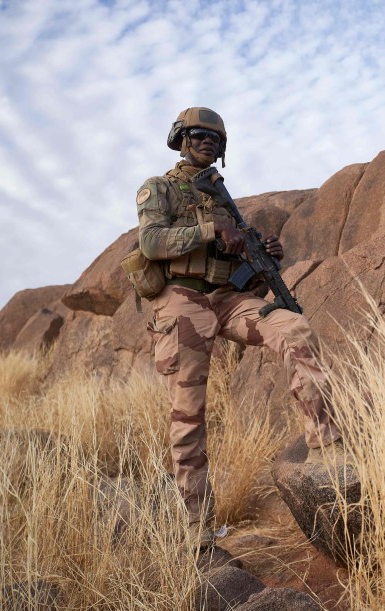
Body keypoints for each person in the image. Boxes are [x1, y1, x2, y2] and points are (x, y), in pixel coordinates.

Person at [135, 106, 342, 544]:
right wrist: (211, 230)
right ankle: (196, 529)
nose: (208, 143)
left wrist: (257, 249)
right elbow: (151, 243)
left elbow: (230, 251)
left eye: (216, 139)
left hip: (227, 299)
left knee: (294, 329)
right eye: (199, 135)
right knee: (188, 412)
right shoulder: (159, 189)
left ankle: (328, 449)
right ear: (180, 138)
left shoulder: (221, 197)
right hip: (181, 302)